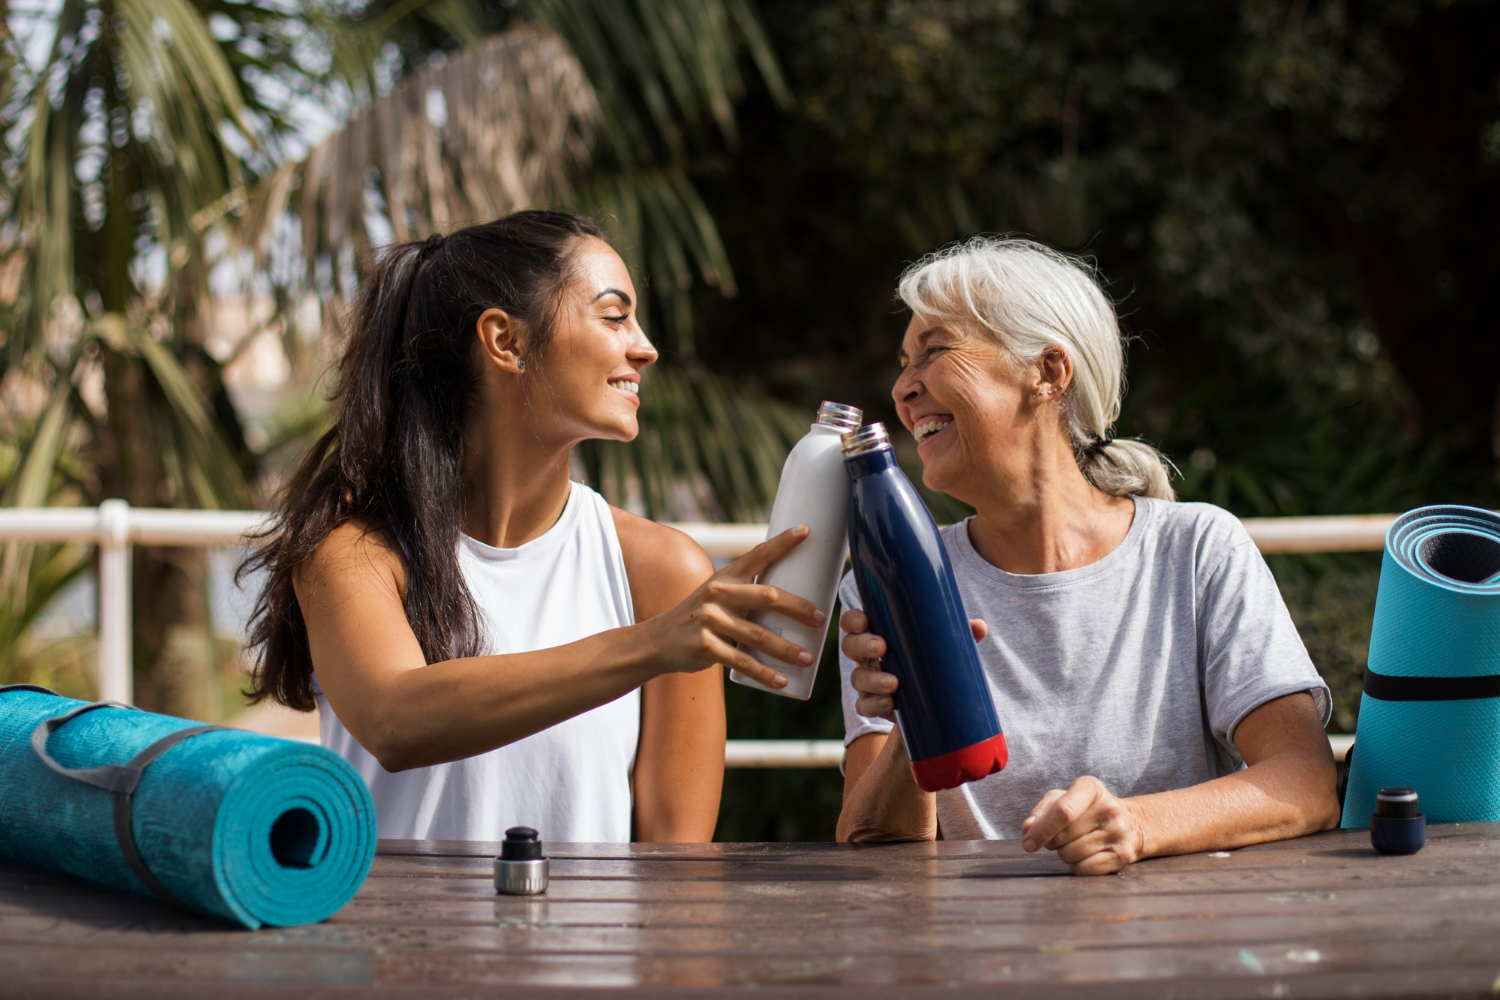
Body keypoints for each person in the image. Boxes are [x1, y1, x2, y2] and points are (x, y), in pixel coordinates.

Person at [242, 211, 822, 843]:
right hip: (391, 942)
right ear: (505, 341)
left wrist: (664, 633)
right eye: (613, 315)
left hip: (587, 945)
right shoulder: (353, 552)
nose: (646, 346)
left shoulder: (662, 572)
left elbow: (680, 868)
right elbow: (395, 721)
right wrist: (653, 643)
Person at [836, 237, 1340, 873]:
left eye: (934, 351)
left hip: (1173, 947)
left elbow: (1306, 783)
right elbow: (867, 845)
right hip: (971, 960)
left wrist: (1135, 823)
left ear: (1048, 372)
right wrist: (920, 711)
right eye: (904, 362)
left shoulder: (1195, 550)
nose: (903, 388)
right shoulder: (885, 583)